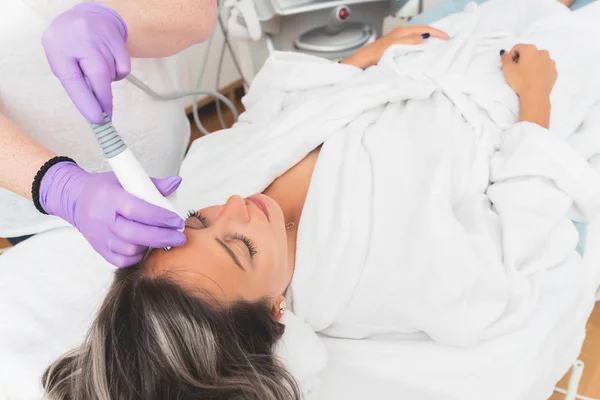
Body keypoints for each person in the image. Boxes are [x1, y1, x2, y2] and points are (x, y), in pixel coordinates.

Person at [40, 0, 600, 391]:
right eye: (241, 248)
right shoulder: (382, 281)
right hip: (520, 96)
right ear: (275, 312)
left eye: (197, 220)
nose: (233, 206)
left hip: (427, 54)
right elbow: (517, 243)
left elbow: (267, 109)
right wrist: (537, 102)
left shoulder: (215, 177)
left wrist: (362, 59)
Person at [0, 0, 217, 267]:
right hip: (32, 195)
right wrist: (60, 188)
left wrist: (114, 19)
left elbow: (195, 11)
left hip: (166, 164)